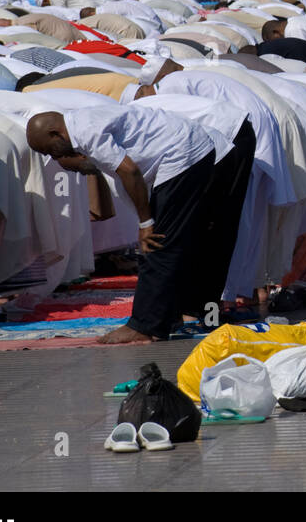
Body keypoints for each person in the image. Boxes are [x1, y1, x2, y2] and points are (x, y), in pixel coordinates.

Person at [25, 106, 220, 344]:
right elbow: (128, 179)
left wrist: (146, 223)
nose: (51, 157)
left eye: (48, 150)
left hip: (183, 153)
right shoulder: (83, 130)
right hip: (188, 148)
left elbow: (131, 172)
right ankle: (166, 317)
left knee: (157, 243)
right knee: (165, 240)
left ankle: (144, 326)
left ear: (56, 133)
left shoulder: (87, 133)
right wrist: (146, 220)